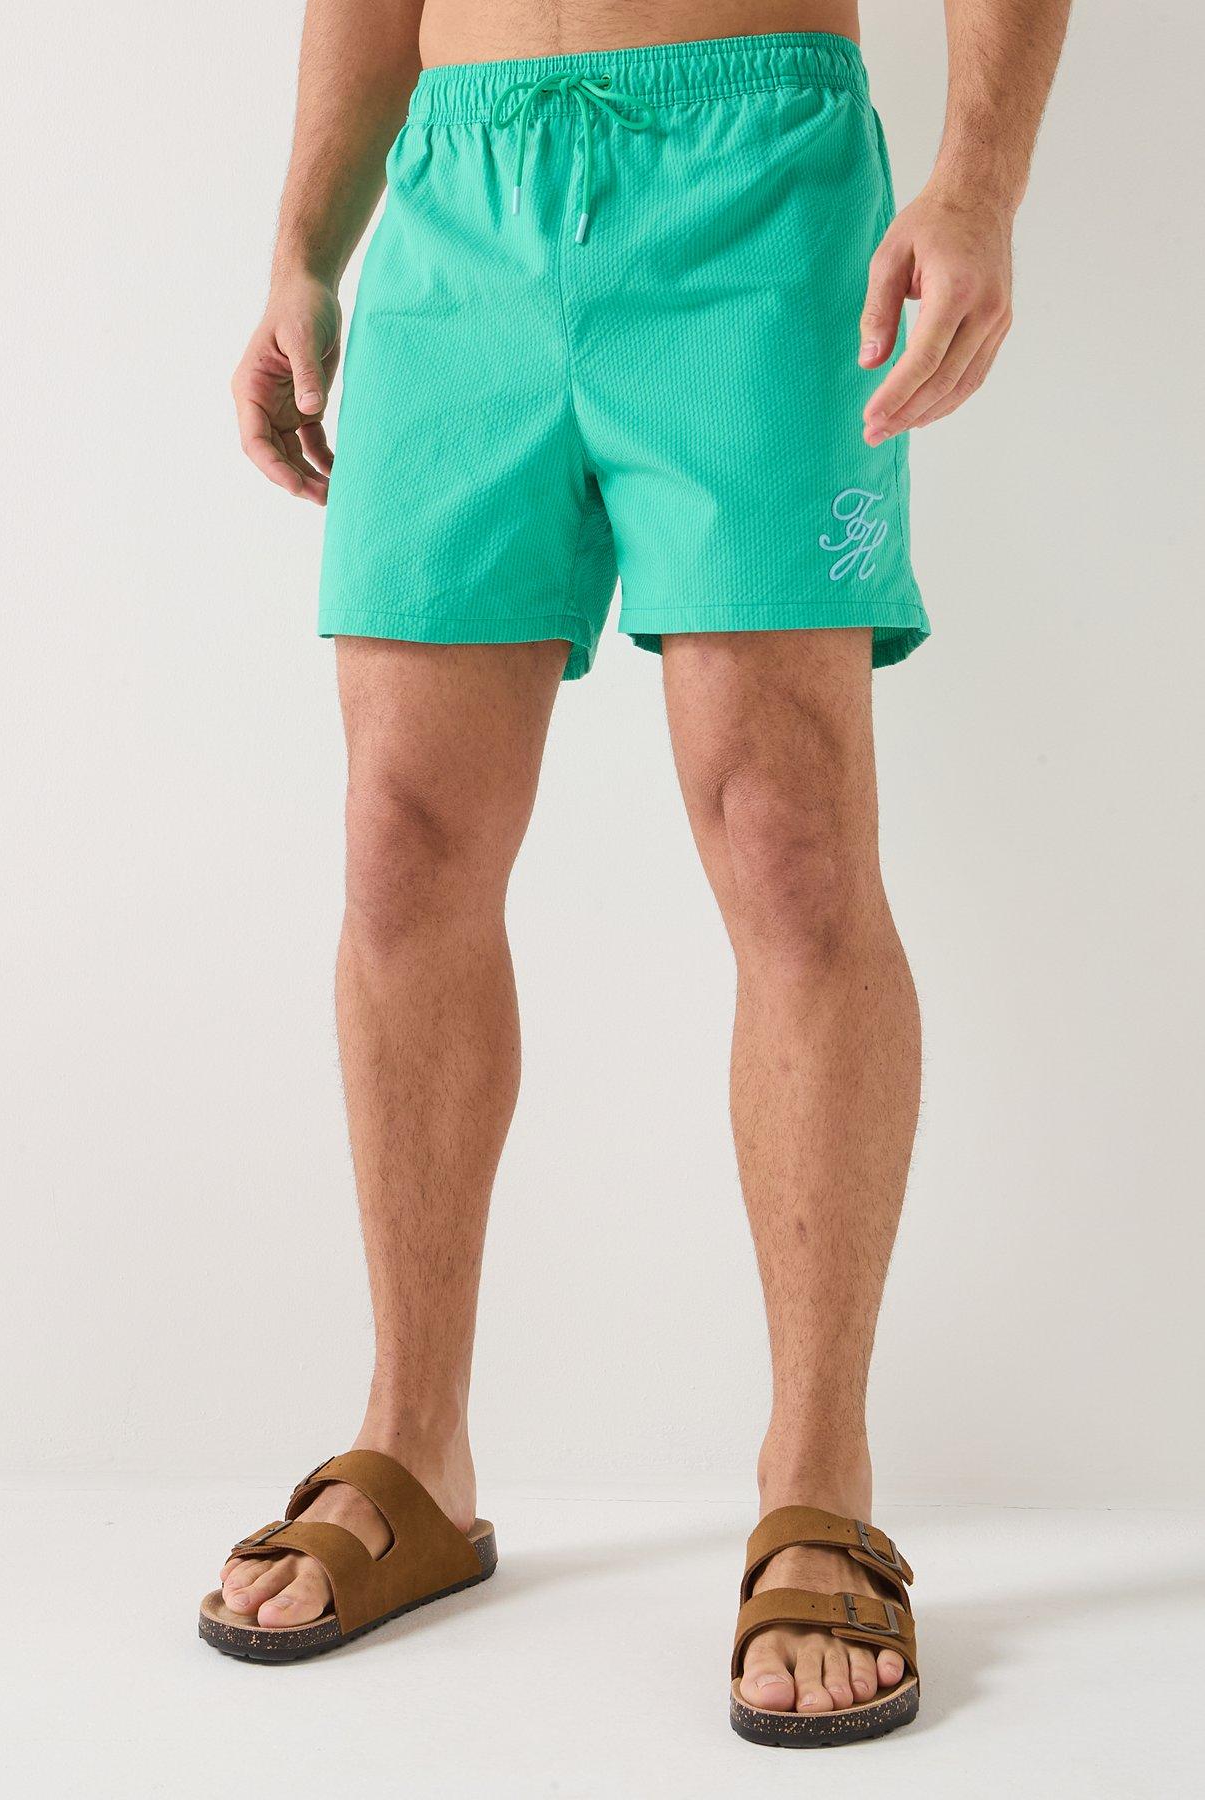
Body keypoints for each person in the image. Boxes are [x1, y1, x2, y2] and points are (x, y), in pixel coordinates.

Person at [200, 0, 1069, 1747]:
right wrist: (302, 245)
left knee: (787, 840)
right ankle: (414, 1451)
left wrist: (976, 182)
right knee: (398, 841)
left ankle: (816, 1482)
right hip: (458, 192)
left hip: (758, 178)